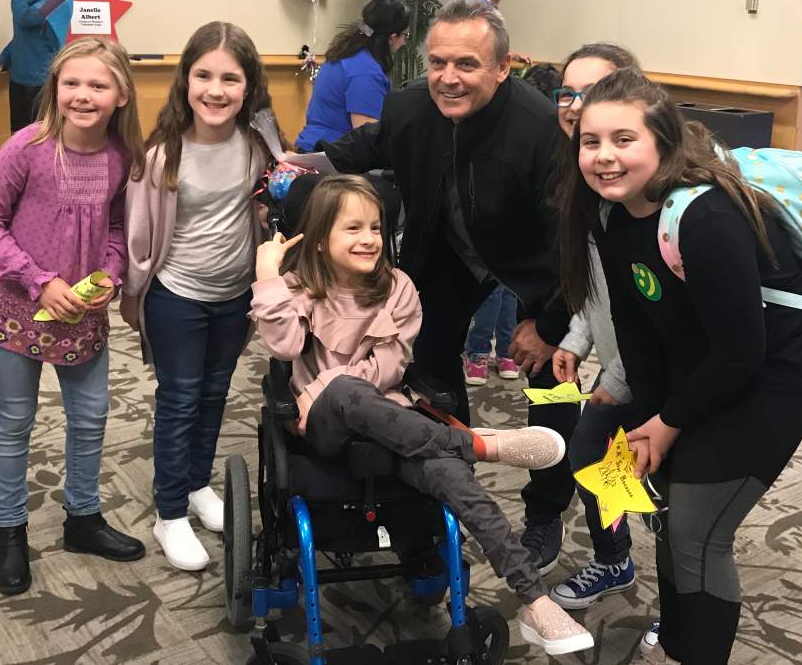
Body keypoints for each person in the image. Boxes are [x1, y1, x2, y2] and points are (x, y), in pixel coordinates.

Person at [557, 68, 802, 663]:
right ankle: (677, 641)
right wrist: (650, 415)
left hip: (776, 368)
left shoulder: (705, 216)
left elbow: (742, 352)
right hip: (705, 361)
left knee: (699, 531)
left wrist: (669, 422)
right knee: (669, 507)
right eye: (590, 141)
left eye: (624, 139)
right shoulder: (612, 214)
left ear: (662, 142)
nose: (604, 156)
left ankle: (694, 651)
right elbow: (637, 328)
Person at [249, 175, 594, 657]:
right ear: (321, 239)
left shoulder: (398, 288)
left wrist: (325, 384)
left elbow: (390, 368)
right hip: (323, 431)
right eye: (352, 228)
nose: (369, 238)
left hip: (392, 426)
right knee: (346, 391)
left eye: (375, 227)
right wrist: (268, 275)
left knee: (453, 478)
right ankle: (479, 444)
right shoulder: (297, 289)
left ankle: (535, 599)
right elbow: (285, 346)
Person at [317, 0, 578, 573]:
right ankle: (447, 483)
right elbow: (364, 148)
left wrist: (549, 325)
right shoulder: (410, 107)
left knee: (554, 381)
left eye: (466, 64)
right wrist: (296, 165)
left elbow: (570, 243)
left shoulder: (540, 129)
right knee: (426, 366)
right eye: (437, 62)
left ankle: (545, 511)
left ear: (502, 68)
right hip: (447, 256)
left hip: (538, 270)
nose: (448, 78)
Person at [0, 37, 147, 596]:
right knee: (13, 420)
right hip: (17, 307)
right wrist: (39, 281)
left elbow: (116, 227)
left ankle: (83, 519)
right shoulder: (26, 148)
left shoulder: (121, 158)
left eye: (98, 85)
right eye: (71, 83)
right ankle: (10, 531)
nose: (82, 95)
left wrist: (111, 274)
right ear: (55, 88)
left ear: (121, 95)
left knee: (90, 417)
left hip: (81, 313)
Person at [120, 22, 278, 571]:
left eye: (230, 79)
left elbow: (265, 211)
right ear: (185, 80)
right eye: (203, 75)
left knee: (214, 395)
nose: (215, 90)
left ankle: (194, 485)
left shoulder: (258, 145)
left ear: (248, 85)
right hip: (177, 297)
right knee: (180, 399)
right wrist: (134, 297)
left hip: (234, 296)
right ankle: (169, 513)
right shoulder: (163, 154)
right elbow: (138, 236)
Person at [536, 44, 645, 607]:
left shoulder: (644, 190)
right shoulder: (587, 174)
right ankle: (615, 559)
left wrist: (619, 378)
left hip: (667, 369)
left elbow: (657, 309)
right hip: (624, 362)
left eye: (595, 92)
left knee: (668, 491)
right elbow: (599, 283)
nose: (577, 106)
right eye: (568, 93)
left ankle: (683, 614)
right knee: (596, 459)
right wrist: (577, 341)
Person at [294, 0, 410, 152]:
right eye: (406, 36)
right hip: (331, 156)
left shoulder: (345, 54)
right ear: (392, 37)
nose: (404, 43)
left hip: (314, 148)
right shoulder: (365, 71)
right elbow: (367, 135)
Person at [0, 0, 74, 133]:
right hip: (20, 77)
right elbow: (25, 34)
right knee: (18, 137)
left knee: (40, 139)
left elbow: (25, 18)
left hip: (41, 81)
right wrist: (7, 55)